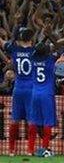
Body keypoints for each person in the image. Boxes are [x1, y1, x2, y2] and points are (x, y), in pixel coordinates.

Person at [1, 28, 35, 156]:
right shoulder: (34, 51)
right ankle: (30, 150)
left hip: (18, 88)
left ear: (20, 39)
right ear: (30, 40)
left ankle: (11, 150)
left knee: (14, 120)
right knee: (31, 120)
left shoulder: (14, 49)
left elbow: (2, 43)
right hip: (31, 89)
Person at [27, 42, 58, 157]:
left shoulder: (32, 59)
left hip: (35, 93)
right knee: (47, 122)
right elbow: (58, 47)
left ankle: (30, 150)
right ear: (46, 52)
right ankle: (45, 148)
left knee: (33, 122)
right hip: (47, 94)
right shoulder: (50, 59)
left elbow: (34, 52)